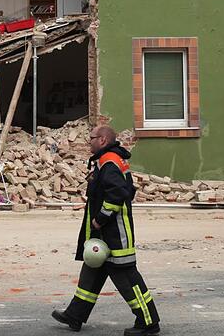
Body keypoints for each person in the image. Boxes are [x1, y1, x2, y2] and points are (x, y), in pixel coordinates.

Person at [52, 125, 160, 336]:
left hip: (115, 234)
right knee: (92, 270)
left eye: (91, 138)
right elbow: (127, 189)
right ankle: (75, 315)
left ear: (102, 140)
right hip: (104, 233)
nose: (88, 141)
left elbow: (117, 194)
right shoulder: (108, 160)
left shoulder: (109, 162)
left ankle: (148, 322)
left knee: (126, 277)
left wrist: (100, 219)